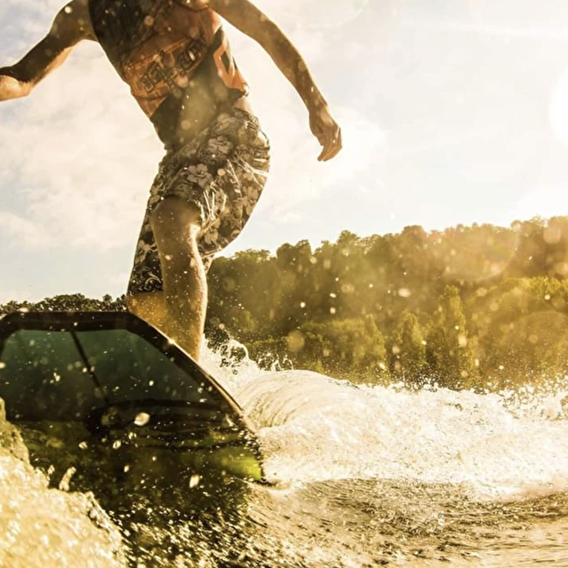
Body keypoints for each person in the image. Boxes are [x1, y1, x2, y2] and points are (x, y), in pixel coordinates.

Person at [0, 0, 342, 360]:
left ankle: (188, 371)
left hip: (234, 134)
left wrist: (316, 104)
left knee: (170, 219)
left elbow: (264, 30)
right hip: (178, 159)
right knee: (146, 295)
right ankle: (172, 378)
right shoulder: (83, 15)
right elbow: (22, 79)